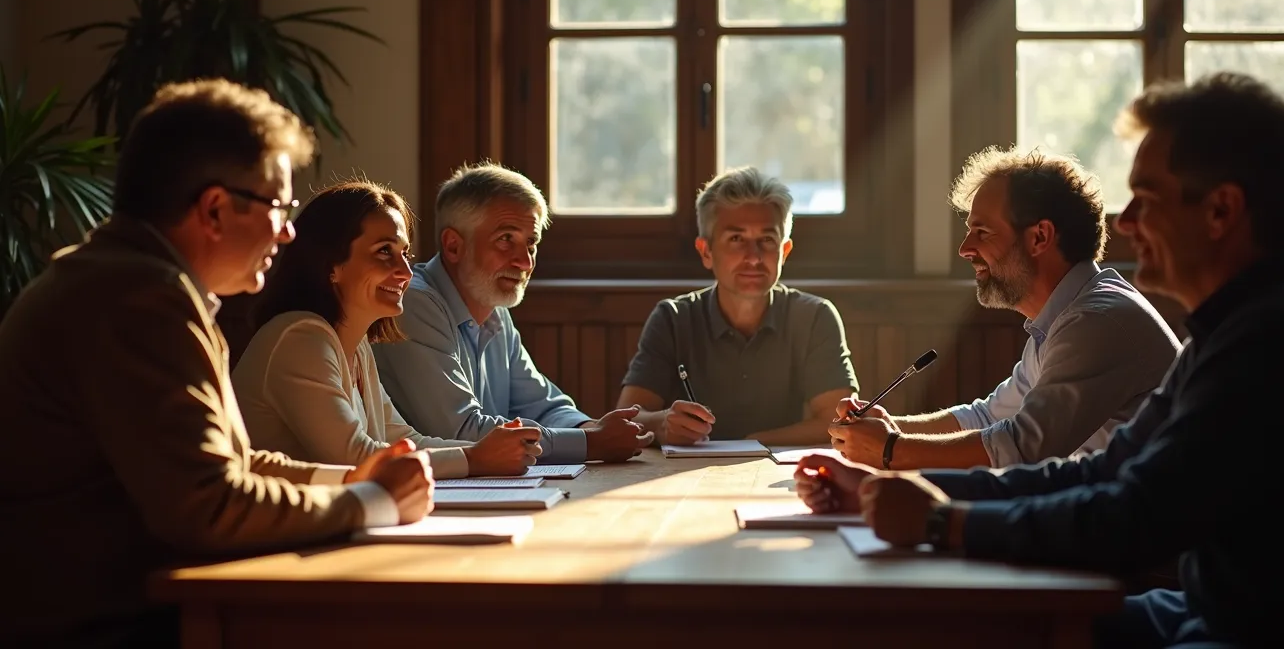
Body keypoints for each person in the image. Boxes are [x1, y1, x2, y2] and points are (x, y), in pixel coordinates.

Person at [796, 72, 1284, 648]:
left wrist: (940, 515)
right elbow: (1100, 470)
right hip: (1201, 608)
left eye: (1148, 198)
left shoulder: (1274, 341)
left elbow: (1133, 516)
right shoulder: (1222, 336)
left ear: (1221, 210)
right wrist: (885, 489)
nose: (1126, 222)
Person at [0, 79, 434, 648]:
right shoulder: (134, 297)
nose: (289, 230)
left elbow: (232, 462)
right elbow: (208, 506)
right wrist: (371, 502)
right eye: (278, 205)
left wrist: (350, 478)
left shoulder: (138, 281)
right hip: (97, 625)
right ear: (214, 209)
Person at [830, 146, 1179, 470]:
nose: (965, 249)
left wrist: (890, 449)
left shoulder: (1097, 321)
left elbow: (1022, 446)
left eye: (982, 232)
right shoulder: (1063, 316)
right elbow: (987, 418)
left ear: (1040, 237)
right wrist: (887, 428)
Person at [233, 180, 542, 478]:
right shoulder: (300, 339)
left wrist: (487, 450)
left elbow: (407, 441)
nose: (405, 272)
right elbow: (353, 457)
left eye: (405, 254)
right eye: (384, 252)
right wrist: (474, 458)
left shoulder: (357, 347)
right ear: (332, 265)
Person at [374, 162, 653, 463]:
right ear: (453, 246)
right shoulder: (413, 302)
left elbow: (543, 406)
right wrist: (591, 442)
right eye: (506, 239)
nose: (525, 262)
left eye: (531, 243)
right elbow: (461, 432)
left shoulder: (494, 309)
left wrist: (592, 428)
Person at [617, 166, 860, 445]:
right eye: (736, 239)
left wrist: (750, 443)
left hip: (776, 478)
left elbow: (839, 422)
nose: (754, 258)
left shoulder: (815, 316)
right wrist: (662, 424)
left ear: (785, 252)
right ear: (706, 252)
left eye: (767, 241)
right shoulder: (672, 319)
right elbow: (626, 419)